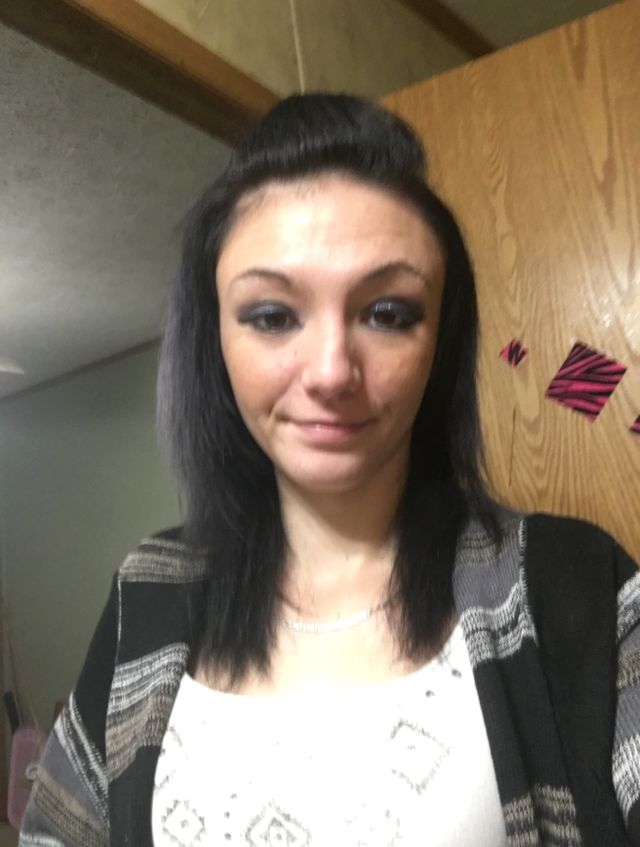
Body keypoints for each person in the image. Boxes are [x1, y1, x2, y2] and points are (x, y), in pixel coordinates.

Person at [19, 94, 640, 847]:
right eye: (272, 315)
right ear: (214, 341)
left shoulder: (576, 583)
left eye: (388, 313)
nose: (331, 371)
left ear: (440, 343)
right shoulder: (147, 593)